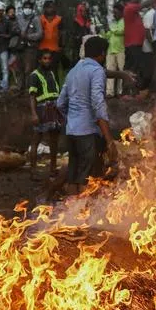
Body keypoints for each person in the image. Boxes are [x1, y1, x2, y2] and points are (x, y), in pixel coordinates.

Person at [56, 36, 115, 194]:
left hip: (71, 131)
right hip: (87, 132)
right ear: (102, 54)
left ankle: (71, 215)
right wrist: (109, 140)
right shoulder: (96, 71)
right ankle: (83, 215)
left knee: (73, 176)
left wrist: (71, 120)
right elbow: (98, 103)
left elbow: (60, 103)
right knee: (87, 178)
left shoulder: (73, 71)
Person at [28, 49, 64, 178]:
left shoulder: (52, 73)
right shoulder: (34, 75)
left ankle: (53, 169)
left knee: (54, 139)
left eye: (49, 58)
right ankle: (33, 170)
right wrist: (34, 114)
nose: (47, 61)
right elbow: (32, 96)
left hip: (54, 108)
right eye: (45, 58)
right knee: (36, 138)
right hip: (42, 109)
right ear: (39, 60)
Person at [122, 0, 148, 93]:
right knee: (134, 68)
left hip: (135, 44)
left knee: (132, 67)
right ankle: (130, 90)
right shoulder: (129, 8)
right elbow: (144, 5)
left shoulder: (133, 10)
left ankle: (130, 90)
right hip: (133, 44)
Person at [17, 1, 43, 89]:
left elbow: (40, 34)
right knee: (20, 69)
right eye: (25, 7)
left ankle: (30, 89)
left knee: (29, 69)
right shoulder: (19, 18)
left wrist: (28, 36)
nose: (27, 9)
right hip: (20, 48)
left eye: (29, 8)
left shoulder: (36, 19)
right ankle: (20, 88)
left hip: (30, 48)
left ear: (32, 9)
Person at [105, 4, 126, 97]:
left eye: (116, 12)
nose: (114, 14)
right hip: (111, 50)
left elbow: (121, 31)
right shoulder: (113, 23)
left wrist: (111, 29)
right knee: (110, 71)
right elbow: (108, 35)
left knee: (121, 71)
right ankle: (109, 92)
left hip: (121, 49)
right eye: (113, 13)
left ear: (121, 12)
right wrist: (104, 31)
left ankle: (120, 91)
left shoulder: (124, 21)